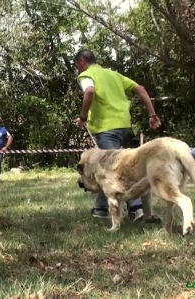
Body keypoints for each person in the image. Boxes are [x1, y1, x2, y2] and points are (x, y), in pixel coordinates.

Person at [74, 48, 161, 222]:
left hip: (107, 128)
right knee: (111, 168)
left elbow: (89, 92)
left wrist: (83, 117)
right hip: (124, 126)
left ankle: (136, 209)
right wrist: (152, 115)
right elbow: (141, 89)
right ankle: (101, 208)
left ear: (82, 62)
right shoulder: (113, 75)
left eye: (77, 66)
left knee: (114, 171)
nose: (78, 70)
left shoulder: (86, 76)